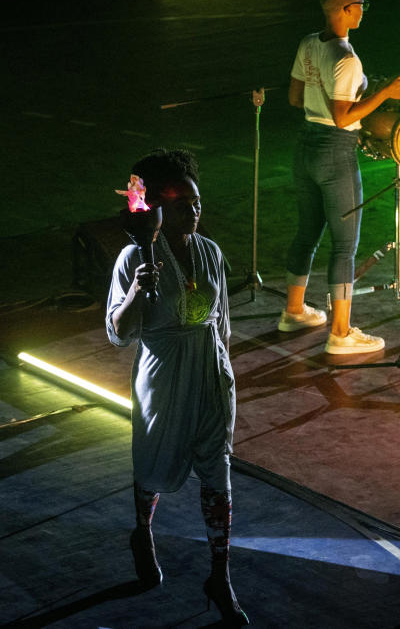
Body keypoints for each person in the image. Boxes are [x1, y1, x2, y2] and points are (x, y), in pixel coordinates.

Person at [106, 148, 249, 626]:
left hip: (209, 374)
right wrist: (133, 294)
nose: (194, 211)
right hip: (164, 379)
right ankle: (142, 532)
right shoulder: (134, 257)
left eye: (197, 201)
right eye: (183, 203)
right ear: (158, 209)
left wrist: (226, 376)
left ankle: (220, 575)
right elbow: (118, 333)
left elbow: (222, 322)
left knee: (218, 474)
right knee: (153, 467)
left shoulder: (210, 253)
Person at [281, 0, 400, 353]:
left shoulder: (308, 44)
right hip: (335, 152)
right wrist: (386, 93)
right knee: (344, 246)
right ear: (345, 9)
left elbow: (296, 97)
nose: (364, 10)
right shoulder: (346, 59)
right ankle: (341, 334)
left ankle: (293, 311)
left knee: (307, 232)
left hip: (306, 146)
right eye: (361, 4)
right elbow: (344, 118)